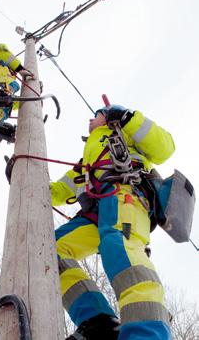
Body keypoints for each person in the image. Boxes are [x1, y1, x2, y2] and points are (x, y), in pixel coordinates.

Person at [50, 104, 175, 340]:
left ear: (107, 117)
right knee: (48, 250)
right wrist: (23, 178)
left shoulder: (124, 133)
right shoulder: (87, 159)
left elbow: (165, 148)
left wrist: (128, 118)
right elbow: (59, 190)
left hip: (125, 196)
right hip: (96, 214)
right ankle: (98, 322)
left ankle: (148, 331)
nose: (90, 119)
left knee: (119, 246)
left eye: (95, 115)